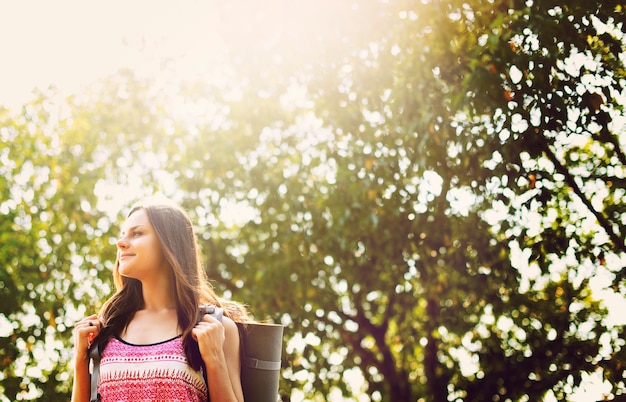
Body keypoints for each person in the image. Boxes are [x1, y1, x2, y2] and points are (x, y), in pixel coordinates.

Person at [72, 197, 247, 402]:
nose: (120, 243)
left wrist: (215, 358)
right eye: (122, 235)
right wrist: (80, 361)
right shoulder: (108, 327)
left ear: (169, 243)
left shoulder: (215, 328)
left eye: (137, 233)